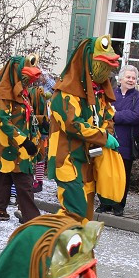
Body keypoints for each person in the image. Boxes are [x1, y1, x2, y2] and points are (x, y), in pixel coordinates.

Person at [48, 36, 121, 222]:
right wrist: (103, 136)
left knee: (85, 215)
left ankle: (80, 250)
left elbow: (107, 116)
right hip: (67, 160)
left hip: (87, 161)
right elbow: (73, 124)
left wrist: (107, 132)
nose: (108, 72)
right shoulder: (64, 93)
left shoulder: (97, 93)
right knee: (74, 211)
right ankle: (45, 243)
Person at [0, 55, 44, 229]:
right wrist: (23, 141)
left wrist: (41, 121)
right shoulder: (2, 96)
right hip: (4, 150)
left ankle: (32, 222)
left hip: (21, 152)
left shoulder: (23, 94)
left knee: (25, 187)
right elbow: (4, 122)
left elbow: (23, 118)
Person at [100, 65, 139, 217]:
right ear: (120, 79)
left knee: (123, 175)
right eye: (128, 77)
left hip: (126, 143)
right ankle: (104, 203)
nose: (131, 80)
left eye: (133, 78)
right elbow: (103, 112)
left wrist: (116, 116)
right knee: (106, 174)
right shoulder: (111, 93)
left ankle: (119, 205)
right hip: (108, 141)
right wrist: (117, 115)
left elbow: (138, 116)